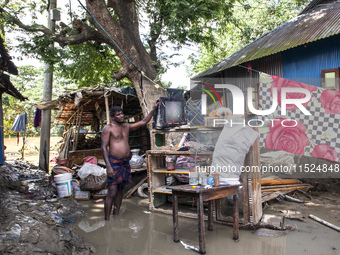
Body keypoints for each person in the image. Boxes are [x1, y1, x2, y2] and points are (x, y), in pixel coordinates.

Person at [101, 100, 159, 220]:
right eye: (118, 114)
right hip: (114, 163)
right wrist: (109, 166)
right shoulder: (108, 128)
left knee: (121, 191)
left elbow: (143, 122)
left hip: (125, 163)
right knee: (112, 192)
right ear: (113, 117)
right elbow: (103, 147)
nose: (121, 116)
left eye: (122, 113)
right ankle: (107, 220)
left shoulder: (126, 126)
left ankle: (115, 216)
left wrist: (153, 109)